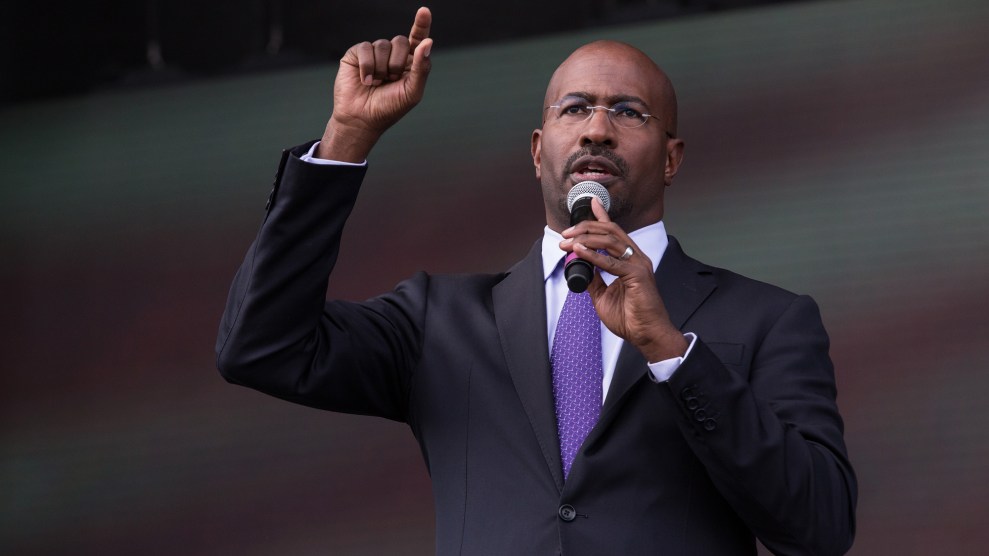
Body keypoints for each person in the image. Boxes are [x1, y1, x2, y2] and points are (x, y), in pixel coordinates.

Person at [216, 7, 856, 555]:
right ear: (536, 150)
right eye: (575, 108)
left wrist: (671, 352)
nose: (597, 128)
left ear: (671, 158)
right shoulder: (440, 320)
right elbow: (261, 346)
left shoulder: (767, 320)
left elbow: (820, 526)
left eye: (628, 112)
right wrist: (347, 137)